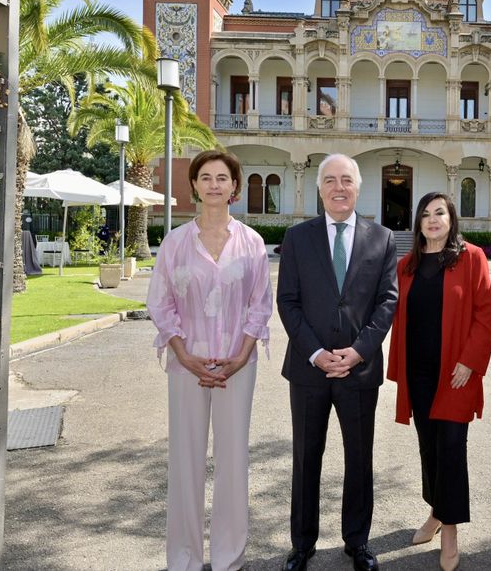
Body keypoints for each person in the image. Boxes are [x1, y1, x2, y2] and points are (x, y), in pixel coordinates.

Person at [146, 148, 273, 571]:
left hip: (238, 366)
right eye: (206, 177)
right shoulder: (175, 243)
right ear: (195, 186)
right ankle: (183, 558)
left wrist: (240, 357)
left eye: (223, 177)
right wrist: (184, 354)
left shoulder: (251, 242)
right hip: (188, 366)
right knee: (185, 462)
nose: (214, 184)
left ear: (235, 187)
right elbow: (161, 304)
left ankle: (228, 558)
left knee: (234, 460)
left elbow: (260, 305)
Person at [277, 154, 398, 571]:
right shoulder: (297, 238)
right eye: (330, 180)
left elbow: (387, 302)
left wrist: (359, 350)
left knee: (359, 459)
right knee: (306, 457)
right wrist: (315, 352)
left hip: (359, 370)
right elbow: (288, 302)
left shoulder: (381, 239)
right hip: (308, 370)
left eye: (346, 180)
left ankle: (358, 542)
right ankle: (302, 544)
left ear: (358, 187)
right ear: (319, 188)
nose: (338, 187)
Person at [387, 192, 491, 571]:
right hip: (418, 374)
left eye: (440, 213)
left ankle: (449, 530)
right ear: (418, 222)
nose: (432, 220)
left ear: (451, 220)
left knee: (451, 448)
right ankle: (436, 511)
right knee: (429, 449)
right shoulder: (406, 266)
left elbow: (485, 313)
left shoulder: (471, 258)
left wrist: (470, 361)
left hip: (456, 374)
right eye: (426, 214)